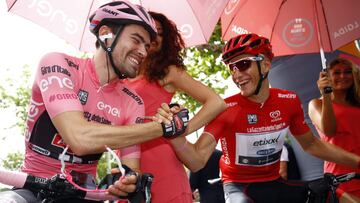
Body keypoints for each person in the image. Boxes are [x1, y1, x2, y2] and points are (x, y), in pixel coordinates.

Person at [0, 1, 189, 202]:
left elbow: (132, 169)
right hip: (30, 190)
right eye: (136, 40)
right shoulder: (58, 64)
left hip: (83, 196)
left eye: (147, 45)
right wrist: (162, 128)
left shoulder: (133, 102)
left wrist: (126, 181)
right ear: (106, 34)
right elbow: (80, 139)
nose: (143, 51)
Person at [163, 33, 360, 203]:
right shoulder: (226, 109)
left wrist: (357, 162)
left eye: (243, 64)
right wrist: (176, 135)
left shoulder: (288, 101)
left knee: (336, 195)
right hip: (239, 188)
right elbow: (197, 161)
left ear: (265, 65)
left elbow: (312, 145)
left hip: (274, 183)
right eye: (231, 68)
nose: (236, 74)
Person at [123, 11, 226, 203]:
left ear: (166, 40)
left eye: (159, 32)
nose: (154, 36)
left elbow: (216, 102)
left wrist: (183, 129)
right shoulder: (122, 76)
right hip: (128, 165)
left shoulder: (168, 72)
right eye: (148, 30)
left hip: (162, 163)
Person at [308, 57, 360, 202]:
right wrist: (326, 95)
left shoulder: (357, 103)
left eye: (348, 72)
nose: (343, 76)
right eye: (336, 73)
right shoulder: (316, 104)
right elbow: (328, 131)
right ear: (328, 76)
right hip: (342, 176)